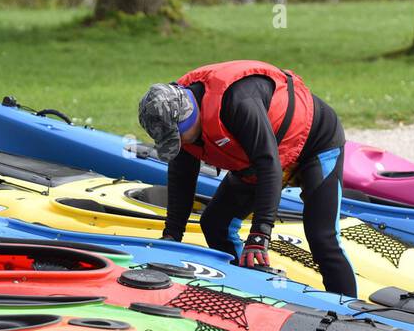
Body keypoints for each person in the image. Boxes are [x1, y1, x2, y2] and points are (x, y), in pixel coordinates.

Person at [137, 60, 357, 298]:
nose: (178, 144)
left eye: (177, 136)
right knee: (214, 224)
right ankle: (250, 287)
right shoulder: (182, 129)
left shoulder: (237, 103)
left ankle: (351, 311)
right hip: (263, 157)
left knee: (321, 237)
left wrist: (259, 235)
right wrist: (172, 235)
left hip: (315, 143)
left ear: (188, 117)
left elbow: (268, 165)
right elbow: (181, 179)